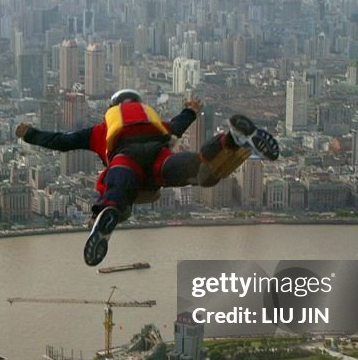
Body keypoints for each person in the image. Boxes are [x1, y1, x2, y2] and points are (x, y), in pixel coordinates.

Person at [15, 89, 279, 266]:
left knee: (118, 182)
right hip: (159, 159)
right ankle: (231, 140)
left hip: (126, 158)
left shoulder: (101, 129)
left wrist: (30, 133)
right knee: (201, 170)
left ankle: (108, 213)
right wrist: (190, 109)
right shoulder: (155, 122)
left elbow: (61, 141)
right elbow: (180, 123)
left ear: (113, 108)